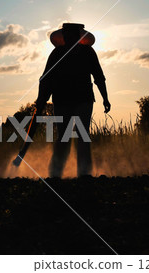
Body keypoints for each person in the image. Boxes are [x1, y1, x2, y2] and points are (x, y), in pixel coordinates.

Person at [35, 23, 111, 178]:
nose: (70, 38)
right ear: (63, 37)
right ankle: (55, 173)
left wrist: (105, 98)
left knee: (83, 133)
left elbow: (98, 76)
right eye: (67, 35)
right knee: (64, 136)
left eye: (73, 35)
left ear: (79, 36)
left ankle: (84, 173)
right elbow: (46, 79)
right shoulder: (57, 53)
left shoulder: (88, 52)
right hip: (62, 99)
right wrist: (40, 99)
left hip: (84, 98)